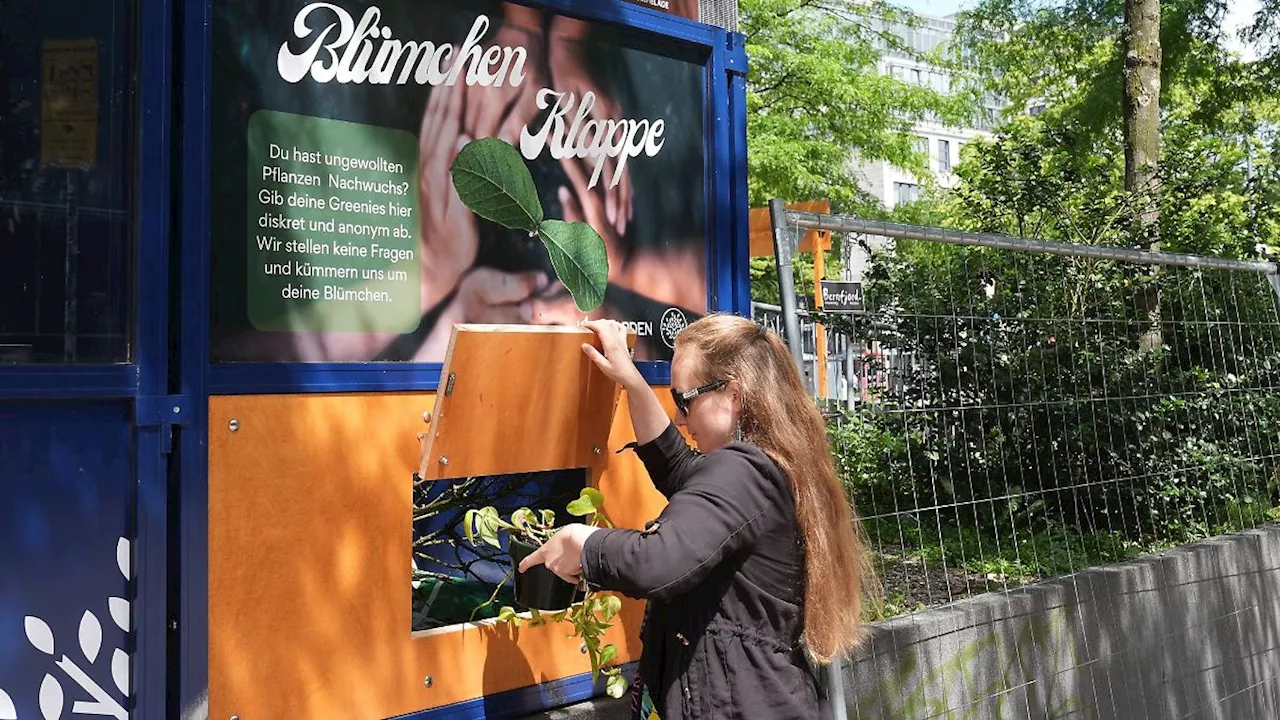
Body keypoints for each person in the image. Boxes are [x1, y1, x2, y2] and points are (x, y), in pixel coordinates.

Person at [518, 315, 875, 720]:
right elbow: (679, 468)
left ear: (734, 394)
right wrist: (631, 381)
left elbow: (659, 562)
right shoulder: (768, 466)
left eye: (685, 400)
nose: (680, 418)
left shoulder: (742, 472)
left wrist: (583, 545)